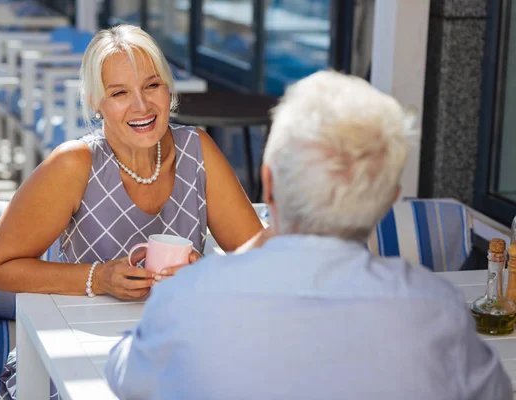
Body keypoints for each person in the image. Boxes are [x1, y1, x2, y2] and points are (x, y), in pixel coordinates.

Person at [104, 71, 513, 400]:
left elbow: (125, 376)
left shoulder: (190, 297)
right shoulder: (433, 310)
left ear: (268, 181)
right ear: (389, 200)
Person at [0, 25, 263, 399]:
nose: (142, 105)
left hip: (174, 354)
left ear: (168, 89)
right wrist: (99, 279)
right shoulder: (75, 163)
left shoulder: (198, 150)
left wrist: (205, 273)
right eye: (119, 93)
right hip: (75, 359)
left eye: (152, 86)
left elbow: (261, 261)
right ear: (97, 103)